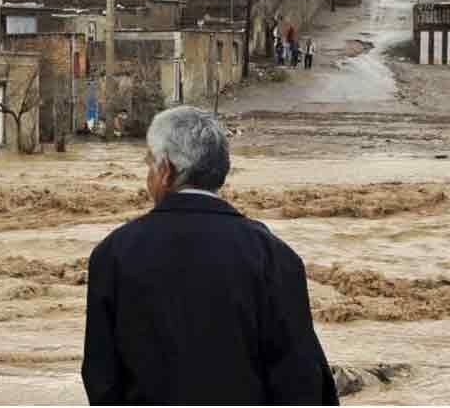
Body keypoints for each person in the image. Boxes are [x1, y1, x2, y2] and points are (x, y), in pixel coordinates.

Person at [83, 107, 338, 405]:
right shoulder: (274, 256)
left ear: (165, 171)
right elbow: (300, 378)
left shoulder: (113, 254)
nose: (148, 176)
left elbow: (102, 379)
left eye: (149, 164)